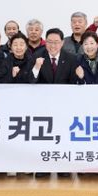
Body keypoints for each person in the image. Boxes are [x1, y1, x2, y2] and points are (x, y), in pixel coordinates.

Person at [30, 28, 81, 178]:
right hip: (43, 106)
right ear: (45, 42)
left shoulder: (71, 58)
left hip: (64, 105)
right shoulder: (37, 56)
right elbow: (30, 81)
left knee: (63, 135)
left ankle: (63, 166)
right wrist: (36, 68)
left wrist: (80, 77)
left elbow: (74, 84)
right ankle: (43, 166)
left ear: (62, 43)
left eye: (56, 42)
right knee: (44, 136)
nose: (53, 45)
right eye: (50, 42)